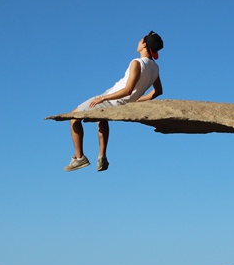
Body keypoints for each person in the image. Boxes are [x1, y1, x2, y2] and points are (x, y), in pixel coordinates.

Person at [66, 31, 164, 172]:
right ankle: (102, 157)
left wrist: (103, 98)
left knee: (73, 117)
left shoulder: (137, 62)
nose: (137, 42)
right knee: (102, 119)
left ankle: (79, 157)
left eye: (140, 40)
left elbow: (128, 89)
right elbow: (158, 91)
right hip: (122, 102)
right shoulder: (155, 68)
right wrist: (134, 101)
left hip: (111, 98)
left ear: (144, 44)